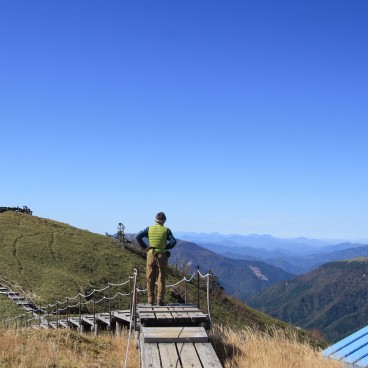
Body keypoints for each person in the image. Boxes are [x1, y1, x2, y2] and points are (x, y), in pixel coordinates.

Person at [135, 212, 176, 306]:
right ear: (164, 221)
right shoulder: (166, 230)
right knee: (161, 279)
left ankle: (150, 300)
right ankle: (159, 300)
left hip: (151, 255)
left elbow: (138, 236)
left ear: (155, 220)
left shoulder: (149, 228)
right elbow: (173, 242)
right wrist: (165, 248)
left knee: (150, 278)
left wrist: (146, 248)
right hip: (162, 256)